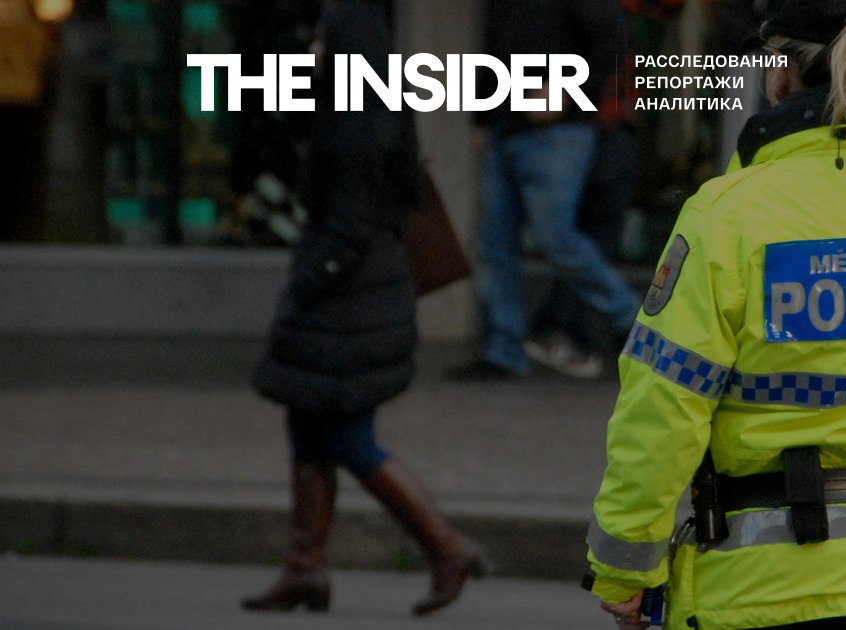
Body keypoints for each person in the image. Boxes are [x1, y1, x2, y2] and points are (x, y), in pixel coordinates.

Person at [585, 1, 846, 628]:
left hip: (758, 589)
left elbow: (663, 406)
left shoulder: (727, 214)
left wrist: (624, 570)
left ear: (779, 75)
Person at [244, 0, 486, 616]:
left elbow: (349, 223)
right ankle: (304, 568)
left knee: (349, 437)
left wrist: (310, 282)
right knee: (308, 427)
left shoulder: (357, 117)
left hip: (350, 297)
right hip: (359, 293)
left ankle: (446, 546)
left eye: (323, 38)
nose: (315, 48)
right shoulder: (363, 101)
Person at [445, 0, 641, 381]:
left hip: (559, 130)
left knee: (556, 239)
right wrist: (481, 119)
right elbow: (493, 51)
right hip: (504, 126)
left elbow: (614, 39)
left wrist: (569, 91)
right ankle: (503, 350)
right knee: (493, 244)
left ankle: (634, 322)